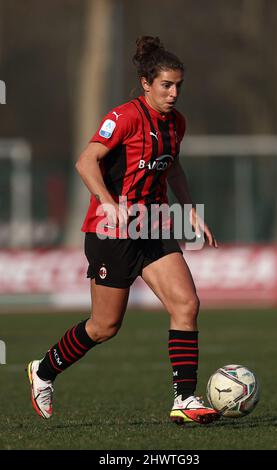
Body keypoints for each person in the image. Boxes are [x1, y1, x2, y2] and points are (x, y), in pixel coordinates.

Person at [27, 36, 219, 425]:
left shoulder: (176, 123)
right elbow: (86, 162)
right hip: (110, 231)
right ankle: (43, 371)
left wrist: (191, 212)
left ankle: (184, 399)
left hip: (153, 224)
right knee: (104, 326)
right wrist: (109, 203)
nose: (174, 93)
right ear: (147, 83)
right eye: (166, 85)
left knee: (187, 305)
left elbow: (173, 167)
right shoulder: (125, 117)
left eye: (178, 85)